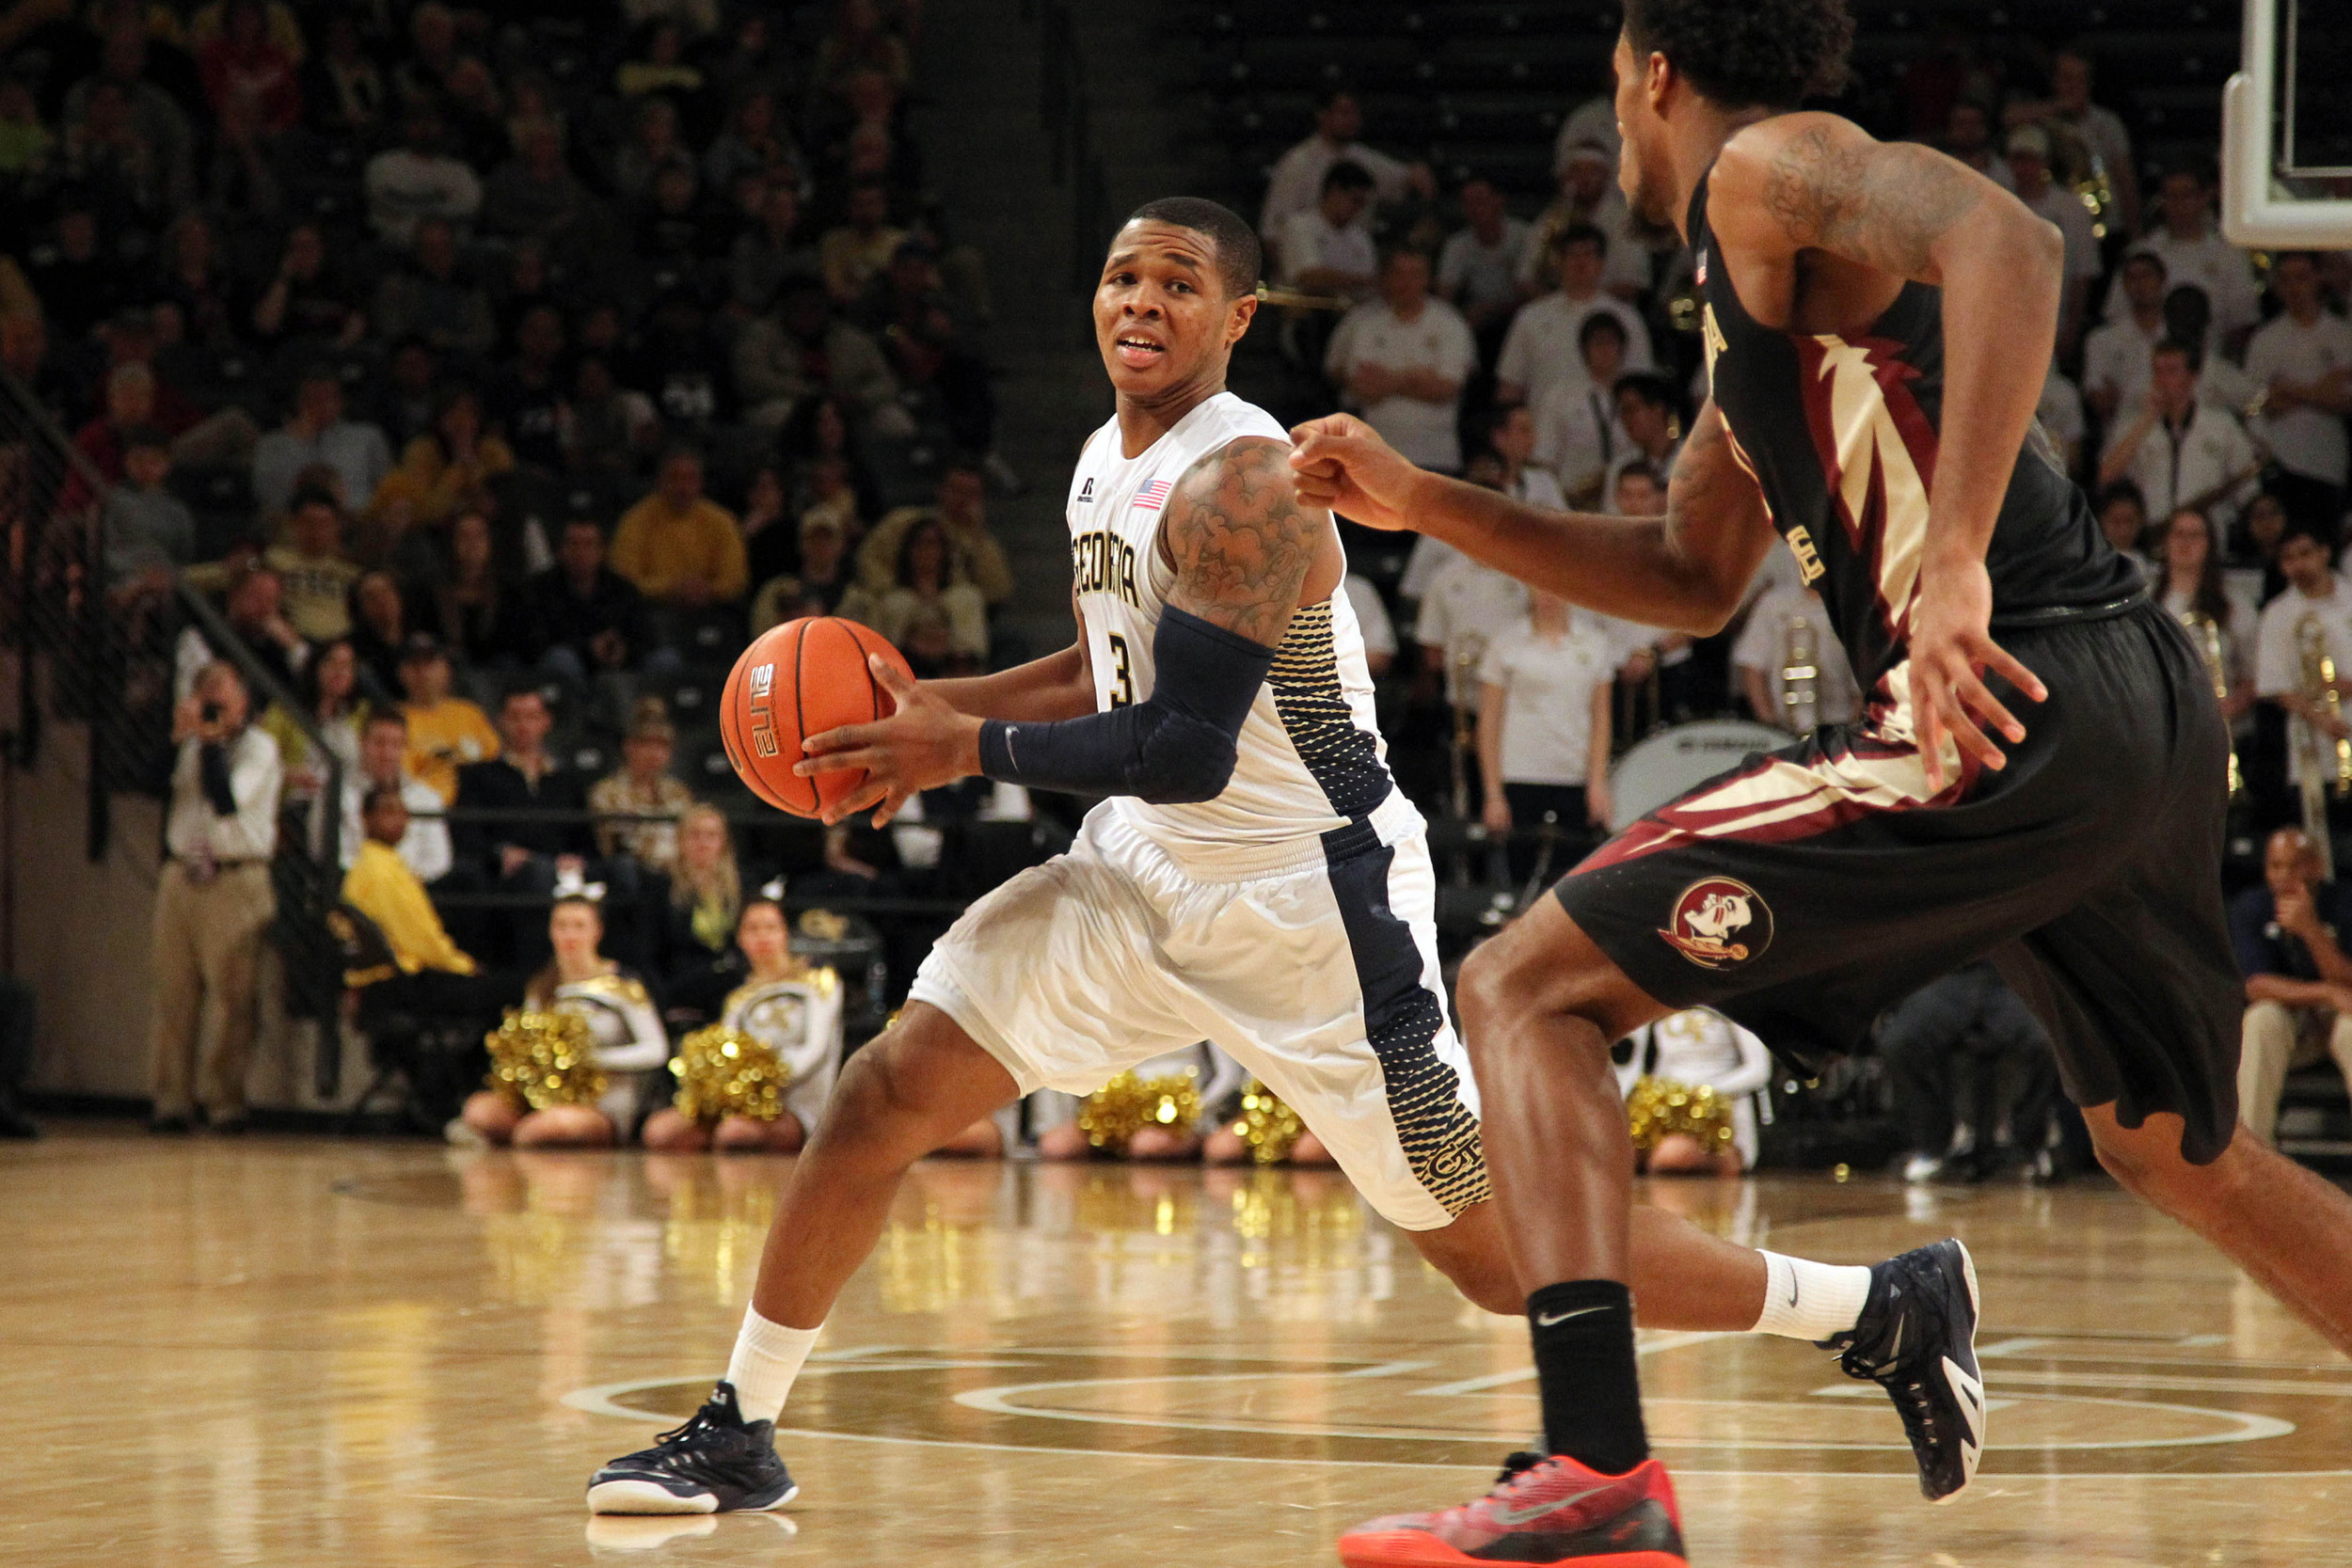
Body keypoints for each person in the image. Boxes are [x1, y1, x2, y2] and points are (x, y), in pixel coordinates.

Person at [586, 194, 1951, 1521]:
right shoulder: (1099, 458)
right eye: (1127, 277)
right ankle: (741, 1427)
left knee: (1491, 1255)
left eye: (1179, 282)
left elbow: (1182, 738)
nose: (1143, 300)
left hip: (1313, 908)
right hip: (1140, 872)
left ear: (1235, 317)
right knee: (885, 1090)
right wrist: (932, 712)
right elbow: (1102, 667)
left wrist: (971, 752)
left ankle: (1874, 1305)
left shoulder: (1251, 481)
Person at [1289, 3, 2352, 1554]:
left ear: (1654, 74)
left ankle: (1597, 1470)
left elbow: (2011, 242)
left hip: (2012, 687)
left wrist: (1961, 564)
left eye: (1612, 82)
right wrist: (1424, 502)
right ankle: (1598, 1476)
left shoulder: (1767, 168)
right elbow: (1689, 571)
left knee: (1524, 988)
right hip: (2132, 708)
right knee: (2176, 1147)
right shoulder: (1751, 322)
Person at [149, 663, 281, 1134]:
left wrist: (208, 743)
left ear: (243, 701)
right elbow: (151, 784)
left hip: (235, 876)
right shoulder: (188, 742)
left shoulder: (259, 748)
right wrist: (175, 739)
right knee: (174, 994)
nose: (212, 707)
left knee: (233, 998)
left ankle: (225, 1103)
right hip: (181, 874)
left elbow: (227, 800)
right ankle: (171, 1102)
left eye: (221, 698)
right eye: (203, 696)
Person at [456, 895, 668, 1148]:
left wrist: (592, 1059)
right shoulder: (541, 985)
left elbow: (656, 1050)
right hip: (544, 1100)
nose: (570, 934)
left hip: (603, 1103)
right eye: (561, 925)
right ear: (550, 930)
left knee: (544, 1128)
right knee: (479, 1110)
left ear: (597, 932)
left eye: (579, 926)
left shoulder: (623, 984)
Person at [643, 897, 846, 1154]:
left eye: (771, 928)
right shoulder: (738, 999)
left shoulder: (820, 983)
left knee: (735, 1133)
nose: (763, 937)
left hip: (797, 1104)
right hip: (741, 1103)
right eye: (753, 929)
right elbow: (727, 1053)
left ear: (785, 933)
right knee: (661, 1131)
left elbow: (815, 1050)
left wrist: (763, 1079)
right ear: (740, 938)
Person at [341, 784, 512, 1025]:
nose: (398, 819)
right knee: (510, 993)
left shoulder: (387, 864)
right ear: (366, 818)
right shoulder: (379, 872)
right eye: (388, 811)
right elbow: (418, 939)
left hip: (398, 978)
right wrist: (461, 965)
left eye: (402, 811)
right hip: (397, 982)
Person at [1477, 588, 1615, 879]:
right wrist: (1493, 793)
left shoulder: (1595, 644)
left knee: (1572, 880)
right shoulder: (1505, 644)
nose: (1548, 594)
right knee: (1521, 878)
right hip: (1519, 776)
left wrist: (1597, 782)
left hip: (1574, 778)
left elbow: (1600, 718)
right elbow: (1490, 722)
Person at [2233, 828, 2352, 1147]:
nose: (2284, 876)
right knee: (2260, 1020)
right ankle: (2253, 1158)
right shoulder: (2252, 907)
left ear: (2315, 865)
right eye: (2275, 865)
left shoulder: (2343, 901)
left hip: (2338, 1019)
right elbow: (2255, 986)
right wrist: (2324, 992)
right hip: (2291, 1019)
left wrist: (2312, 931)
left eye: (2295, 865)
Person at [1324, 247, 1478, 473]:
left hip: (1436, 455)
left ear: (1428, 279)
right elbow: (1362, 386)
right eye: (1398, 273)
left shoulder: (1450, 324)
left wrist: (1389, 380)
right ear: (1386, 277)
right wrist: (1417, 376)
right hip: (1375, 453)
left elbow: (1447, 388)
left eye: (1415, 274)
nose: (1406, 282)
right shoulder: (1368, 324)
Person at [1259, 87, 1433, 264]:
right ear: (1322, 115)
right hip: (1307, 261)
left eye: (1355, 113)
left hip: (1354, 256)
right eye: (1344, 113)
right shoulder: (1296, 163)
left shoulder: (1365, 159)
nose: (1352, 120)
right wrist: (1291, 273)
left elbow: (1415, 177)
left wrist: (1425, 215)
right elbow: (1271, 232)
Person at [2097, 341, 2261, 530]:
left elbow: (2247, 488)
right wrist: (2147, 420)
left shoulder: (2222, 426)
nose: (2162, 380)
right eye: (2157, 371)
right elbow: (2105, 476)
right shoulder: (2133, 426)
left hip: (2208, 534)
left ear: (2193, 377)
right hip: (2152, 534)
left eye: (2172, 371)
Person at [2245, 251, 2352, 534]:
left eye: (2302, 278)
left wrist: (2290, 389)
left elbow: (2345, 400)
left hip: (2328, 462)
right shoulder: (2265, 339)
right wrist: (2322, 388)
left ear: (2318, 279)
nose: (2295, 287)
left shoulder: (2342, 334)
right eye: (2286, 279)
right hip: (2281, 461)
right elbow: (2256, 403)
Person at [1496, 225, 1654, 410]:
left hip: (1609, 431)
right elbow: (1511, 386)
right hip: (1544, 431)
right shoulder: (1530, 317)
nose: (1580, 262)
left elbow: (1641, 385)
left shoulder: (1627, 318)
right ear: (1559, 262)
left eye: (1588, 254)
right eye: (1572, 254)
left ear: (1601, 262)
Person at [2256, 528, 2352, 829]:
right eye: (2288, 558)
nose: (2298, 565)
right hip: (2312, 745)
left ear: (2325, 552)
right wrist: (2321, 717)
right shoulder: (2277, 613)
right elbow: (2274, 685)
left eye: (2305, 553)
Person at [1613, 1006, 1772, 1174]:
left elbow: (1760, 1071)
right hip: (1669, 1113)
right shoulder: (1661, 1003)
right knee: (1620, 1154)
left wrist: (1703, 1092)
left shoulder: (1735, 1002)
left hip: (1720, 1120)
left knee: (1672, 1155)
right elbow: (1658, 1066)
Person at [522, 519, 665, 686]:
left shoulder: (623, 589)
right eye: (573, 544)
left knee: (665, 660)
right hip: (567, 668)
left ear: (603, 551)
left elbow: (646, 636)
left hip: (623, 668)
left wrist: (624, 650)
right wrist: (587, 649)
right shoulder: (540, 589)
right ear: (560, 550)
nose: (580, 552)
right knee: (561, 659)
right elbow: (535, 643)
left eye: (589, 544)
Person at [2001, 124, 2098, 360]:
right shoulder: (1999, 205)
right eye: (2018, 160)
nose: (2024, 168)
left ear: (2045, 162)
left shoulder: (2072, 209)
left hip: (2057, 318)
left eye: (2031, 160)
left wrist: (2072, 328)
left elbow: (2082, 273)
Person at [611, 447, 751, 608]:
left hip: (713, 608)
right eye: (674, 478)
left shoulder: (722, 521)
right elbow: (624, 579)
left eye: (690, 479)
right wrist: (670, 588)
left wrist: (708, 589)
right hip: (652, 610)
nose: (682, 487)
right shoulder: (635, 520)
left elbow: (736, 577)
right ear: (660, 480)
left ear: (701, 482)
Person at [250, 367, 392, 516]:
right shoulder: (272, 443)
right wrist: (299, 444)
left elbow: (387, 490)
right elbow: (266, 495)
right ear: (298, 402)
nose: (319, 405)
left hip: (355, 520)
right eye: (311, 398)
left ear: (341, 402)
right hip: (295, 523)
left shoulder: (368, 437)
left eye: (327, 397)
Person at [1733, 578, 1863, 730]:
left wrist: (1852, 728)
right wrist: (1770, 724)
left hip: (1839, 724)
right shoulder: (1773, 602)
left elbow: (1868, 676)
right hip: (1783, 728)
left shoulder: (1855, 606)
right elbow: (1752, 665)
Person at [341, 708, 453, 881]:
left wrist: (398, 882)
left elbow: (438, 860)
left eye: (395, 745)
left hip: (411, 892)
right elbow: (332, 853)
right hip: (352, 891)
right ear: (362, 742)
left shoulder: (427, 798)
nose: (387, 754)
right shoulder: (337, 794)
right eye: (379, 743)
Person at [590, 700, 695, 874]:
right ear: (629, 746)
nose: (655, 754)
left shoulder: (679, 792)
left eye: (663, 746)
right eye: (647, 744)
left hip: (679, 872)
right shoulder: (607, 792)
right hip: (636, 873)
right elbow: (615, 846)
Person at [395, 634, 499, 805]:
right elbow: (404, 779)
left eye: (430, 663)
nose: (422, 672)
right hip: (427, 808)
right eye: (414, 665)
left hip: (477, 806)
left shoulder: (470, 713)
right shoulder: (395, 718)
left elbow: (492, 761)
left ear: (446, 669)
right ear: (401, 673)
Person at [2081, 249, 2167, 428]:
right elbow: (2100, 401)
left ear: (2162, 279)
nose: (2140, 284)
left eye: (2146, 275)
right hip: (2121, 433)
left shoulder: (2177, 335)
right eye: (2132, 278)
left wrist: (2123, 396)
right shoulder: (2102, 339)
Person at [263, 490, 361, 644]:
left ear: (337, 527)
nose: (316, 532)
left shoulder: (350, 571)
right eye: (308, 523)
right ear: (294, 524)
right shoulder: (273, 559)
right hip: (290, 642)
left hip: (344, 644)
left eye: (324, 524)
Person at [1276, 161, 1379, 300]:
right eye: (1355, 200)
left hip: (1350, 313)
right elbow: (1308, 277)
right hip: (1305, 311)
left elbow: (1370, 282)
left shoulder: (1360, 236)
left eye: (1363, 204)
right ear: (1334, 191)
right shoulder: (1300, 226)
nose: (1358, 209)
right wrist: (1363, 281)